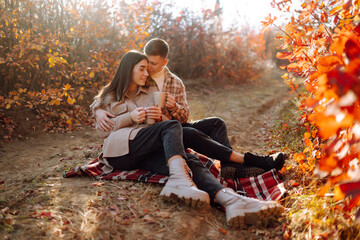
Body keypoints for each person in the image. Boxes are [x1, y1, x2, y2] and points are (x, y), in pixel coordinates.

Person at [94, 50, 284, 228]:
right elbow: (102, 132)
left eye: (147, 68)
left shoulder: (151, 92)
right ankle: (182, 179)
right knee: (174, 128)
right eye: (141, 69)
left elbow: (166, 124)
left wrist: (160, 118)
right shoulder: (110, 95)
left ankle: (231, 200)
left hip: (146, 149)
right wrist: (129, 117)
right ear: (128, 69)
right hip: (119, 153)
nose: (146, 72)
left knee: (189, 159)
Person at [93, 38, 286, 179]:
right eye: (145, 64)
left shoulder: (174, 82)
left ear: (164, 62)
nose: (148, 69)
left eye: (152, 64)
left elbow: (185, 115)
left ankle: (229, 166)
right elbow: (112, 93)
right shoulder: (140, 78)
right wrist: (98, 110)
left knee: (215, 123)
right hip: (157, 132)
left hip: (174, 125)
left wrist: (173, 106)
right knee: (188, 132)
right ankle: (249, 161)